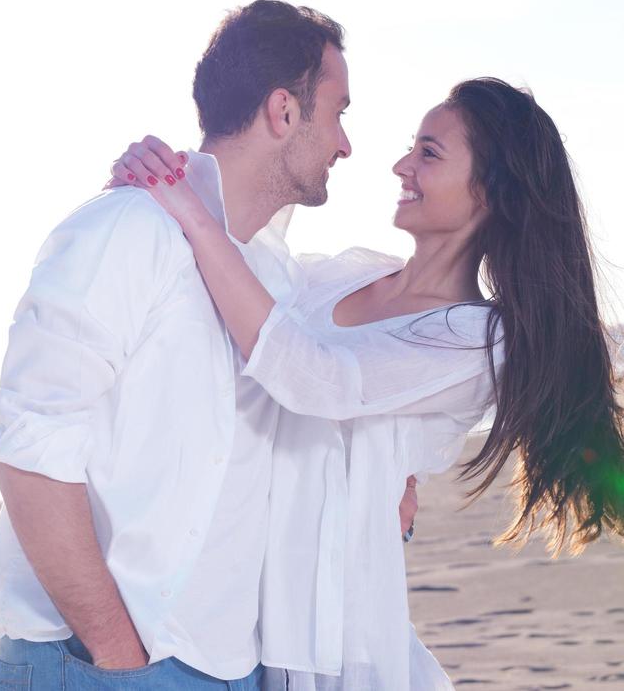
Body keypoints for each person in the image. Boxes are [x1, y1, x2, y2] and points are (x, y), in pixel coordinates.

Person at [109, 77, 624, 689]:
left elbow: (314, 379)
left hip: (339, 648)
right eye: (413, 146)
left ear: (491, 192)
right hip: (235, 631)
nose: (401, 164)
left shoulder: (478, 340)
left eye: (429, 153)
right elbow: (230, 301)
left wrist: (190, 210)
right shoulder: (341, 275)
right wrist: (159, 187)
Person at [0, 0, 418, 691]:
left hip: (234, 670)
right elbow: (28, 447)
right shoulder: (125, 230)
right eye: (337, 112)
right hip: (99, 662)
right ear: (282, 112)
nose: (345, 144)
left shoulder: (277, 284)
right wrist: (117, 653)